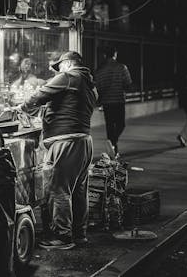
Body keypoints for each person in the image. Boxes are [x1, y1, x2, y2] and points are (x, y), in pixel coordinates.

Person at [15, 51, 97, 250]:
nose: (58, 71)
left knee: (58, 190)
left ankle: (62, 237)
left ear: (68, 63)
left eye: (59, 66)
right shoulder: (89, 83)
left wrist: (22, 108)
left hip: (65, 143)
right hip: (83, 141)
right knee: (78, 191)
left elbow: (40, 95)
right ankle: (79, 234)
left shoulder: (69, 77)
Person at [94, 46, 132, 157]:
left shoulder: (100, 71)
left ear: (105, 55)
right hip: (119, 100)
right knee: (121, 124)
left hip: (106, 102)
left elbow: (98, 88)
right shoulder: (122, 68)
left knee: (110, 126)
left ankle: (113, 149)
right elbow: (128, 84)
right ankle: (113, 145)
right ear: (115, 54)